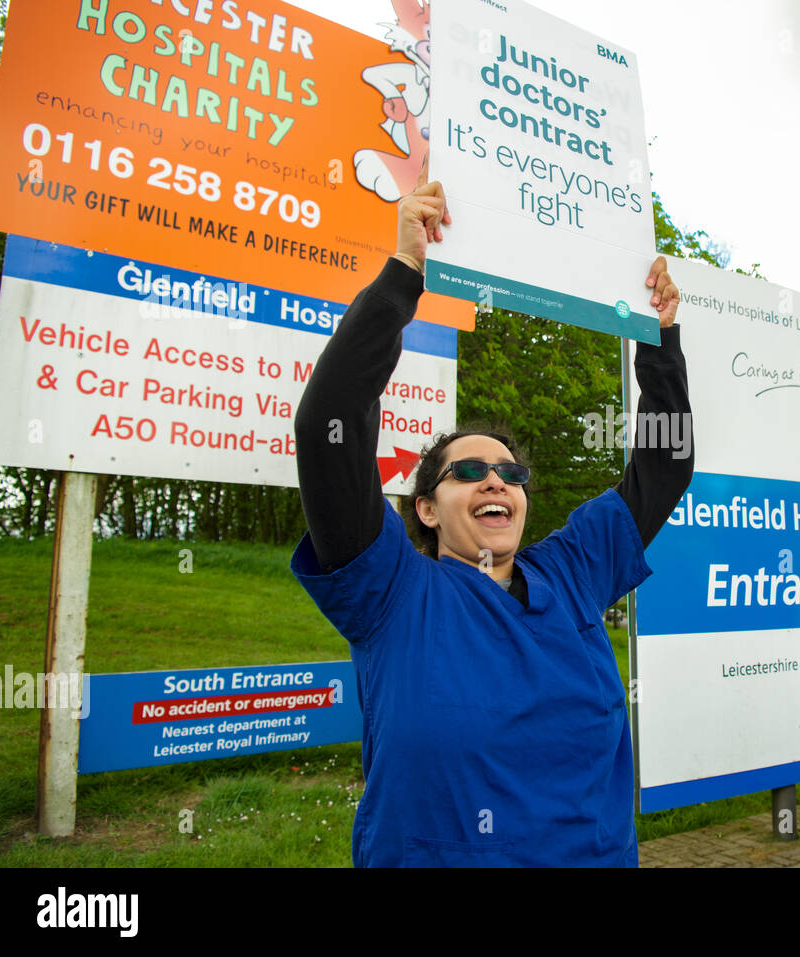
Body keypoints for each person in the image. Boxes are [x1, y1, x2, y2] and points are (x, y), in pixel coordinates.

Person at [289, 171, 692, 866]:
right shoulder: (390, 590)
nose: (495, 480)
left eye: (511, 472)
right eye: (468, 472)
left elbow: (664, 465)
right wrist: (404, 273)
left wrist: (657, 341)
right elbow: (329, 420)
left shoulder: (571, 570)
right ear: (425, 507)